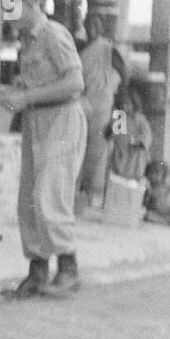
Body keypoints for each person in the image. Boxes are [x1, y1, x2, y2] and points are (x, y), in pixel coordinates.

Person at [0, 0, 86, 298]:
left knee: (51, 194)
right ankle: (38, 271)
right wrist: (11, 93)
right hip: (38, 121)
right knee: (30, 199)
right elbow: (36, 85)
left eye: (12, 8)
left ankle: (69, 268)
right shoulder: (28, 42)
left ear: (32, 5)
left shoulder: (53, 35)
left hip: (62, 120)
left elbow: (75, 82)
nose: (8, 15)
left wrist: (28, 97)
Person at [75, 11, 122, 210]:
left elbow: (123, 86)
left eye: (95, 24)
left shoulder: (109, 50)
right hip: (84, 107)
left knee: (100, 154)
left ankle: (94, 199)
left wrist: (119, 124)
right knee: (78, 153)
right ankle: (78, 198)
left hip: (105, 109)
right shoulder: (83, 49)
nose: (91, 28)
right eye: (88, 24)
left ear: (101, 27)